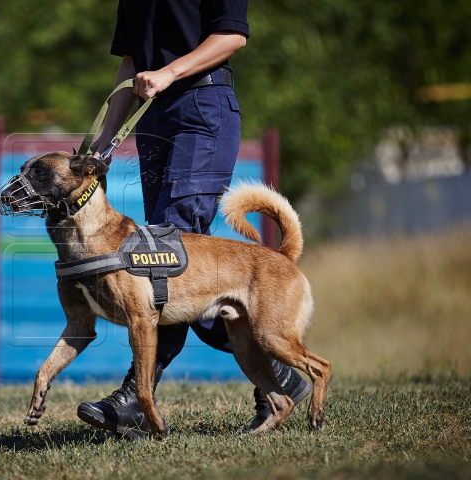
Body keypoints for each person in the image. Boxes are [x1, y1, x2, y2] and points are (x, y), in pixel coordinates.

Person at [76, 0, 311, 439]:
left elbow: (232, 36)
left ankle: (134, 400)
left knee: (163, 257)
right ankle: (280, 372)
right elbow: (131, 63)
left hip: (203, 106)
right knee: (174, 271)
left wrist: (168, 73)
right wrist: (103, 141)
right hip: (153, 119)